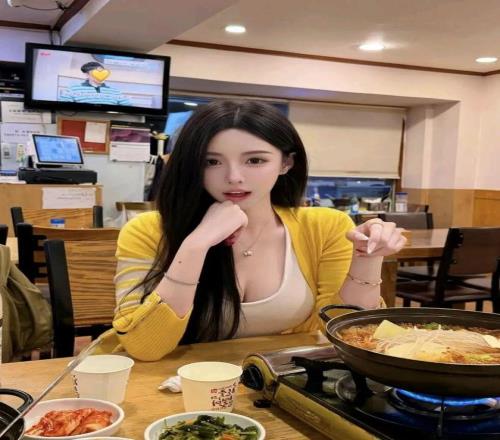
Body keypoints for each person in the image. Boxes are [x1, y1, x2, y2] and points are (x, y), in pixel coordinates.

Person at [107, 100, 406, 361]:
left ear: (286, 163)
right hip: (180, 386)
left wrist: (368, 257)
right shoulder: (147, 231)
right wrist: (196, 245)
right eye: (211, 161)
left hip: (282, 382)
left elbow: (348, 332)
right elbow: (144, 347)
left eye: (255, 160)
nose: (234, 177)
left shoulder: (325, 226)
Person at [59, 61, 131, 105]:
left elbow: (128, 106)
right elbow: (63, 105)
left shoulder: (115, 91)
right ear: (87, 75)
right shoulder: (73, 89)